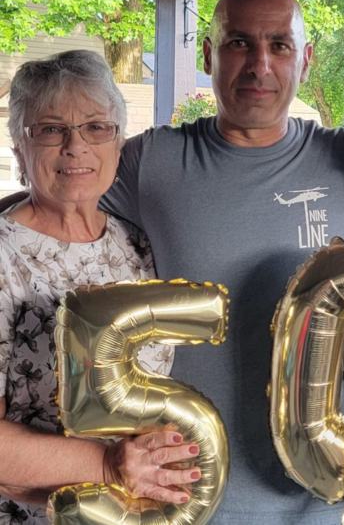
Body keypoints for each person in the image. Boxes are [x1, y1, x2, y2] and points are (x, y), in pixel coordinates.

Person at [101, 0, 344, 525]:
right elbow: (46, 201)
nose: (259, 65)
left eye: (279, 45)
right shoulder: (153, 162)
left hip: (322, 501)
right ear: (208, 55)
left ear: (306, 59)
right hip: (189, 496)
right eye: (239, 42)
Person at [0, 51, 201, 525]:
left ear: (118, 143)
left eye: (96, 127)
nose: (76, 147)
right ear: (19, 148)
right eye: (51, 129)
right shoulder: (5, 255)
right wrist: (108, 466)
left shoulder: (136, 242)